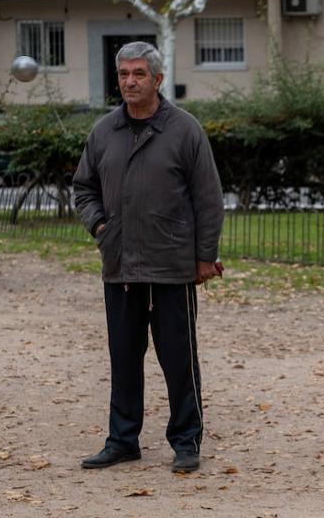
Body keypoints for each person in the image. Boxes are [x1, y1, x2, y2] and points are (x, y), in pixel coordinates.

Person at [73, 41, 224, 474]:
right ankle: (122, 440)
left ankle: (186, 440)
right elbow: (83, 187)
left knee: (178, 358)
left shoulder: (184, 129)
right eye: (123, 74)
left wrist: (204, 256)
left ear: (157, 79)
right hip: (120, 263)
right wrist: (100, 227)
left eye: (139, 74)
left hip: (171, 265)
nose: (130, 82)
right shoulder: (104, 131)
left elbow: (208, 198)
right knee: (123, 357)